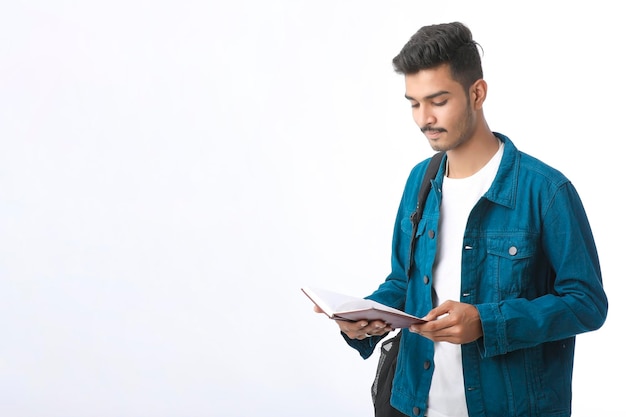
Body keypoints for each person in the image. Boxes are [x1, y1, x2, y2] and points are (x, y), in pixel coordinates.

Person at [315, 22, 608, 417]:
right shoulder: (421, 180)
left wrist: (486, 322)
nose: (424, 118)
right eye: (414, 103)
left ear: (477, 93)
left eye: (437, 101)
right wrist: (366, 315)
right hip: (412, 404)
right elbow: (405, 283)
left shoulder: (546, 191)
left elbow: (587, 303)